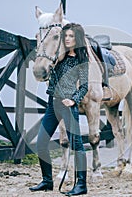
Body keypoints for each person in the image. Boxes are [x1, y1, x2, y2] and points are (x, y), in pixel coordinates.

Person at [29, 23, 89, 196]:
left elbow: (84, 87)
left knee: (77, 145)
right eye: (66, 36)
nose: (68, 39)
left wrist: (74, 100)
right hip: (52, 104)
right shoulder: (58, 56)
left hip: (68, 107)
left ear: (77, 39)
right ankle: (47, 181)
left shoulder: (81, 60)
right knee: (41, 143)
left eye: (71, 36)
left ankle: (81, 184)